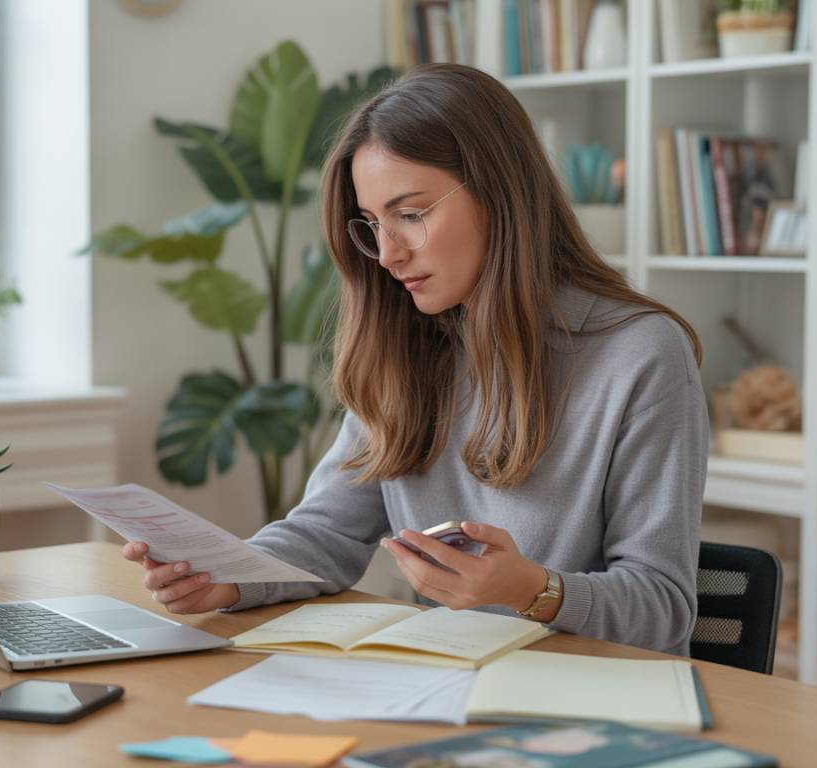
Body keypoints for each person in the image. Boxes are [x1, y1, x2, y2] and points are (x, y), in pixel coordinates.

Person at [123, 64, 709, 655]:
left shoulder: (642, 353)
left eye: (411, 215)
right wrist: (225, 579)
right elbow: (326, 532)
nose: (386, 254)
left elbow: (663, 609)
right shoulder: (409, 346)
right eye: (373, 224)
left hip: (599, 703)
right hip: (451, 688)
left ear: (499, 194)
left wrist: (535, 590)